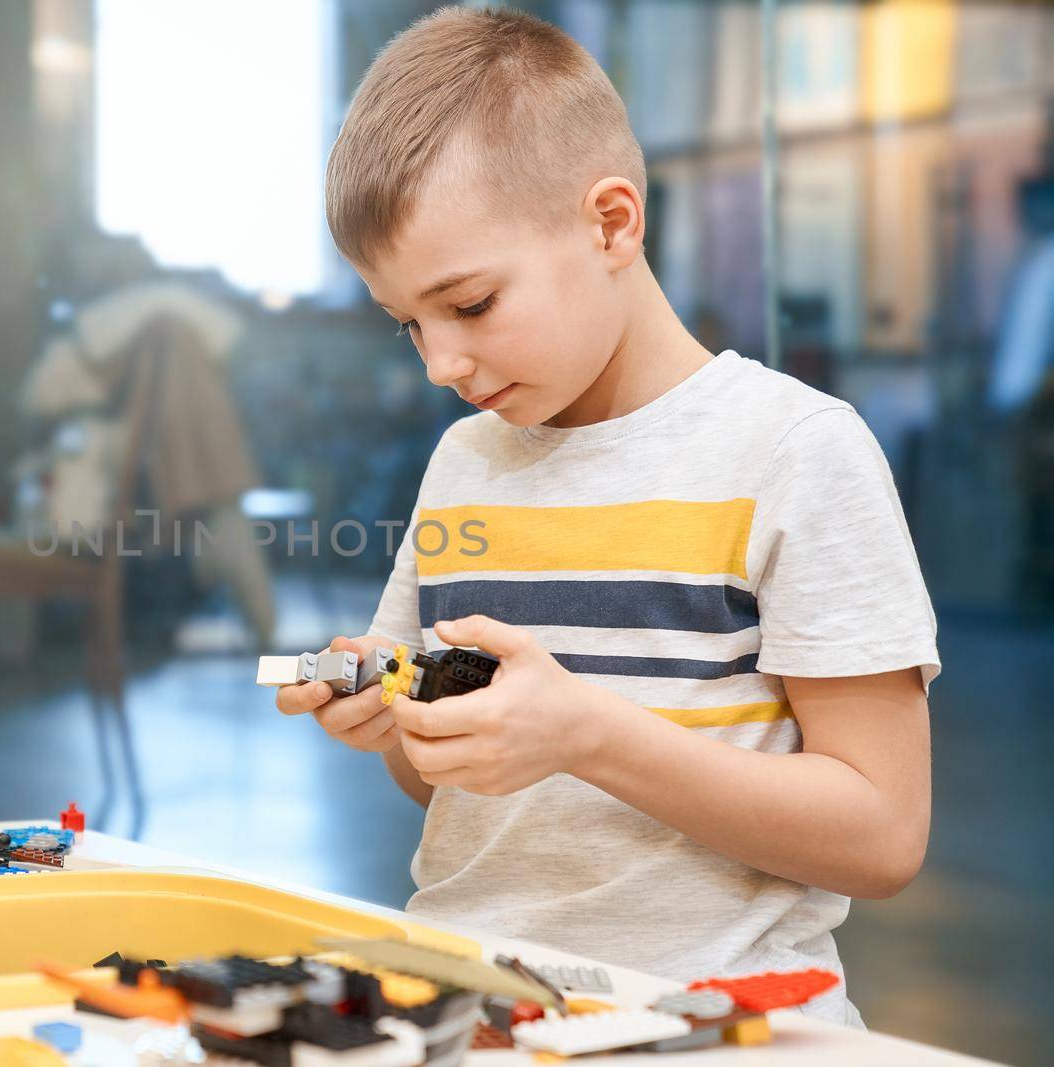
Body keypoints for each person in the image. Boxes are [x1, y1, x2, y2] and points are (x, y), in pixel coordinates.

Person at [274, 8, 934, 1028]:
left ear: (612, 223)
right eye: (408, 322)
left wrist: (586, 733)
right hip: (474, 1015)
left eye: (472, 304)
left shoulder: (793, 449)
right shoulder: (463, 462)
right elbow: (466, 795)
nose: (440, 362)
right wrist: (396, 721)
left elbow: (882, 833)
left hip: (714, 1027)